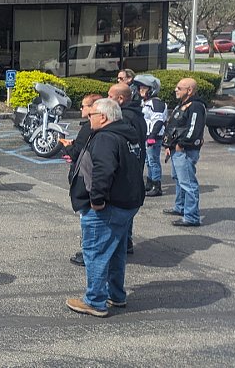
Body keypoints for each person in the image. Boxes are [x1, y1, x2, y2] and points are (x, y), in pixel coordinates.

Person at [65, 98, 145, 317]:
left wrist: (97, 200)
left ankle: (95, 301)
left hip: (108, 206)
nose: (88, 118)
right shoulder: (126, 134)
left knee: (96, 252)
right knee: (115, 252)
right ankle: (116, 295)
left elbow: (103, 170)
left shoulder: (106, 137)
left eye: (91, 115)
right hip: (127, 203)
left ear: (103, 117)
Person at [60, 93, 104, 267]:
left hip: (86, 184)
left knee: (89, 222)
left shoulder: (90, 128)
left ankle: (88, 253)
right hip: (89, 184)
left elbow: (79, 152)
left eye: (85, 106)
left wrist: (68, 146)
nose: (82, 109)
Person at [108, 81, 146, 253]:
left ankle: (122, 242)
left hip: (128, 167)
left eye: (110, 97)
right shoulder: (137, 114)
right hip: (135, 165)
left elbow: (125, 143)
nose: (107, 99)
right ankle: (125, 241)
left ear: (121, 99)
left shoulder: (126, 117)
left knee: (121, 206)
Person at [162, 77, 206, 227]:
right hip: (176, 149)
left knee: (188, 183)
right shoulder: (182, 105)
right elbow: (174, 125)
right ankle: (180, 208)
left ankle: (192, 216)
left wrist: (182, 144)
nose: (176, 90)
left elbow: (194, 129)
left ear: (190, 90)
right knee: (179, 180)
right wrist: (169, 145)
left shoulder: (196, 106)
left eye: (179, 88)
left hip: (185, 150)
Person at [134, 75, 167, 197]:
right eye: (140, 88)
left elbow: (158, 120)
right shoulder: (145, 102)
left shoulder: (156, 103)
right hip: (146, 135)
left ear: (152, 89)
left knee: (153, 161)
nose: (141, 90)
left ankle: (157, 186)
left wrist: (152, 135)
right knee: (148, 161)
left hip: (154, 136)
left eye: (144, 88)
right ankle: (149, 183)